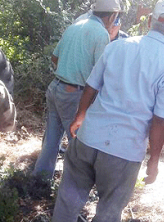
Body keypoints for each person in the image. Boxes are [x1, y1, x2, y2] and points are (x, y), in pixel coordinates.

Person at [39, 0, 164, 222]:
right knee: (109, 208)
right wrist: (153, 160)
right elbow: (161, 119)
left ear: (151, 21)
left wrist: (79, 118)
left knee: (69, 197)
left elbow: (91, 86)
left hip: (88, 137)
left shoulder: (119, 46)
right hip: (124, 150)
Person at [32, 0, 123, 181]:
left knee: (51, 138)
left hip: (56, 87)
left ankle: (40, 181)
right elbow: (100, 73)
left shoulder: (75, 26)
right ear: (112, 16)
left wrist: (70, 69)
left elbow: (55, 57)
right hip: (73, 94)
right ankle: (74, 188)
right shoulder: (101, 35)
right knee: (78, 143)